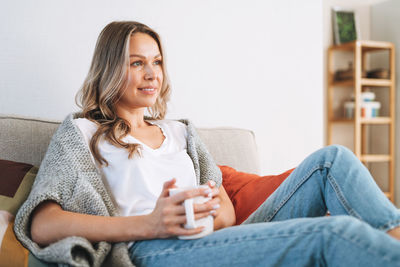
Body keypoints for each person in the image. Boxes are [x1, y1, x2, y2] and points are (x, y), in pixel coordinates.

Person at [14, 21, 400, 267]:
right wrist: (150, 224)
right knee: (328, 235)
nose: (152, 74)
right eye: (136, 63)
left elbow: (227, 216)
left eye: (157, 62)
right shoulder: (81, 134)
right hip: (150, 250)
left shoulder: (181, 132)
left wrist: (206, 216)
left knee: (332, 160)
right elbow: (42, 223)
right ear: (110, 68)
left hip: (215, 238)